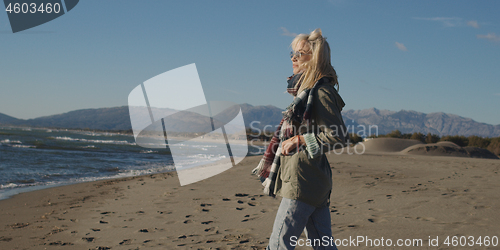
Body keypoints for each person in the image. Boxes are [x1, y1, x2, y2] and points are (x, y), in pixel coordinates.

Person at [252, 28, 348, 250]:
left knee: (278, 245)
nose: (294, 58)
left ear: (314, 59)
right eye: (292, 54)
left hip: (303, 181)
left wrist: (300, 140)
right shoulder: (306, 92)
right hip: (313, 180)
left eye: (301, 54)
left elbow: (338, 136)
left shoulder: (321, 92)